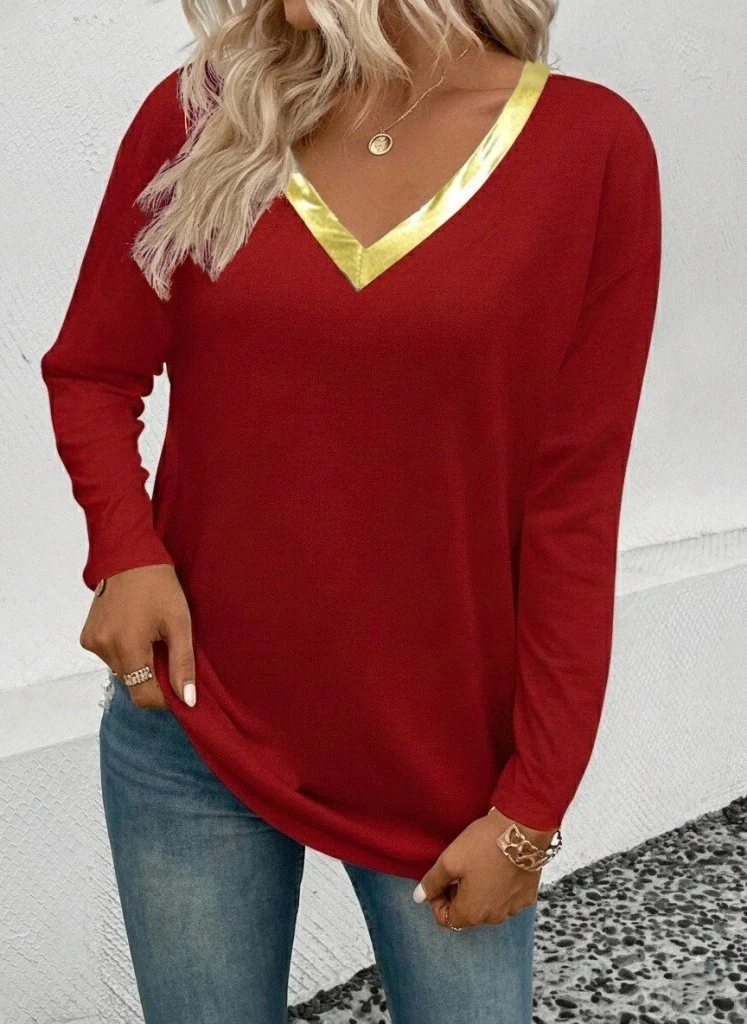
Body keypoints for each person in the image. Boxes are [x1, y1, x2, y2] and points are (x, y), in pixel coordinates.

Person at [39, 0, 662, 1021]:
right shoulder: (208, 112)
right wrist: (125, 548)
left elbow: (573, 506)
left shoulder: (588, 148)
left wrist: (531, 808)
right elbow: (94, 371)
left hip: (442, 763)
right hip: (193, 726)